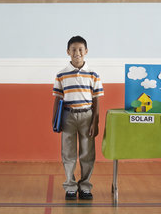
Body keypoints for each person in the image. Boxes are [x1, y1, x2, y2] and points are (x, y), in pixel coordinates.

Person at [52, 35, 104, 200]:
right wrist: (55, 119)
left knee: (87, 153)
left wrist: (95, 122)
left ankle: (85, 186)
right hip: (68, 116)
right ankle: (70, 186)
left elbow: (96, 100)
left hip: (87, 116)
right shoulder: (61, 75)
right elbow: (58, 99)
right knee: (68, 153)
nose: (77, 53)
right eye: (73, 49)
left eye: (80, 49)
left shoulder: (93, 74)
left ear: (86, 51)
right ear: (68, 52)